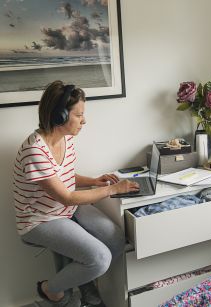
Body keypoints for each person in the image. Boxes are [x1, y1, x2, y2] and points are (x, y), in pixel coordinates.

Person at [13, 80, 139, 306]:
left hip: (66, 209)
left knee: (116, 240)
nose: (85, 120)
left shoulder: (66, 138)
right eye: (79, 115)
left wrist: (93, 180)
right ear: (60, 115)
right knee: (100, 259)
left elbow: (63, 177)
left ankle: (80, 282)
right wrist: (111, 189)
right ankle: (49, 289)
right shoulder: (35, 150)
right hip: (40, 219)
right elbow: (66, 196)